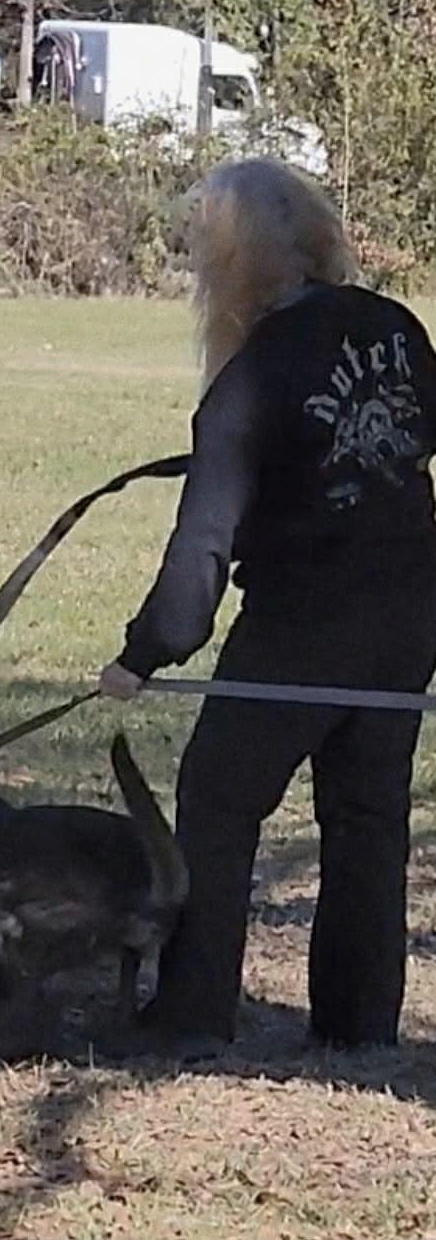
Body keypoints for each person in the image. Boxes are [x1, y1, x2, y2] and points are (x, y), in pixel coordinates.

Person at [97, 156, 436, 1059]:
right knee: (367, 817)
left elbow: (202, 549)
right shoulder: (398, 328)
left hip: (304, 626)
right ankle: (359, 1024)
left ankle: (195, 1012)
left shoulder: (249, 377)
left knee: (219, 797)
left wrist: (145, 655)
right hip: (409, 618)